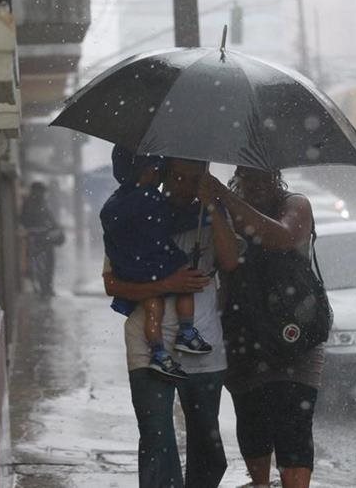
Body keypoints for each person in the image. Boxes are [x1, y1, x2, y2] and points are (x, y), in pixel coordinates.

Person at [103, 158, 239, 488]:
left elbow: (231, 260)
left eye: (194, 178)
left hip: (201, 342)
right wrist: (166, 284)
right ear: (164, 175)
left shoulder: (212, 216)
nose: (184, 185)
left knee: (207, 440)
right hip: (148, 345)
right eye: (177, 176)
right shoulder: (136, 214)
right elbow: (112, 284)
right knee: (155, 438)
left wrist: (212, 206)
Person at [200, 166, 324, 488]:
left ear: (276, 176)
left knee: (294, 424)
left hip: (294, 335)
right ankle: (260, 483)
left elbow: (280, 237)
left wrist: (224, 196)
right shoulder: (224, 211)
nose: (256, 184)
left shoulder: (295, 205)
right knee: (252, 420)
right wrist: (215, 205)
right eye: (248, 177)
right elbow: (222, 262)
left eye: (263, 176)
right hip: (243, 335)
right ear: (238, 176)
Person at [100, 148, 213, 379]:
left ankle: (159, 353)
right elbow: (173, 221)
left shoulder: (114, 203)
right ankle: (186, 331)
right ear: (146, 171)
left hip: (132, 267)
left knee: (153, 308)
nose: (158, 173)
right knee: (187, 279)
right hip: (158, 261)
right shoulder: (151, 199)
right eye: (158, 169)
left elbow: (110, 236)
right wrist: (206, 212)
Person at [20, 181, 62, 297]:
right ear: (35, 191)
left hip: (46, 241)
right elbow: (25, 222)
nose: (42, 194)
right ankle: (44, 290)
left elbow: (51, 221)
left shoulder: (43, 204)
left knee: (48, 266)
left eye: (43, 192)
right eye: (40, 191)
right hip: (37, 241)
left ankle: (47, 288)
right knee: (40, 267)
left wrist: (56, 231)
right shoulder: (29, 205)